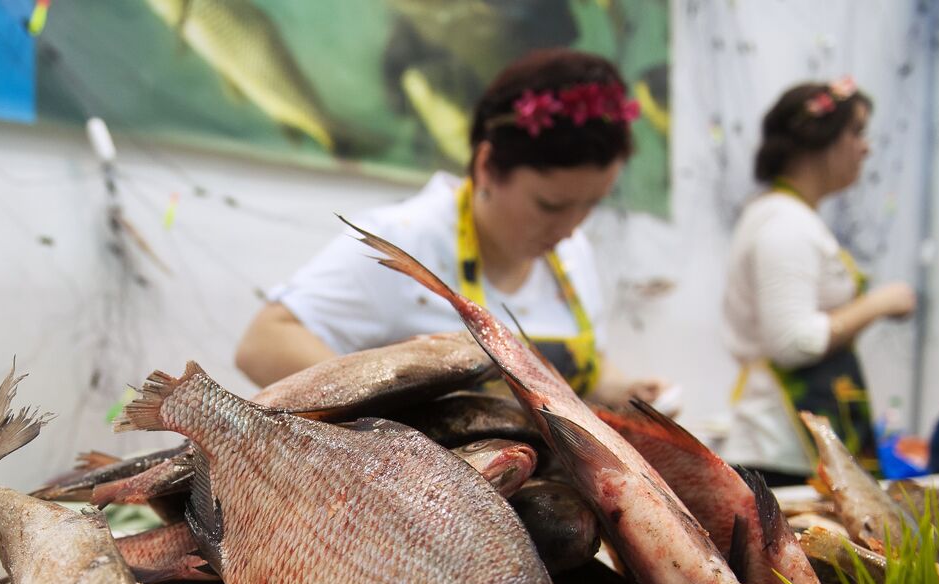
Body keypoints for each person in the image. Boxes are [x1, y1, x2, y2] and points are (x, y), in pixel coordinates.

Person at [235, 49, 668, 407]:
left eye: (590, 205)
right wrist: (384, 420)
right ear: (486, 167)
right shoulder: (402, 242)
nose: (572, 228)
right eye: (549, 205)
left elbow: (573, 372)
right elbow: (262, 344)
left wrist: (617, 389)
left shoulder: (570, 256)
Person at [722, 77, 916, 484]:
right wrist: (880, 303)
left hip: (792, 450)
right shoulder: (785, 224)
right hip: (784, 453)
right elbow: (794, 342)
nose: (866, 147)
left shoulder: (790, 217)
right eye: (857, 132)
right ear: (820, 139)